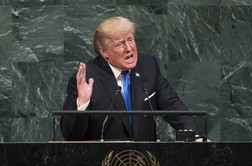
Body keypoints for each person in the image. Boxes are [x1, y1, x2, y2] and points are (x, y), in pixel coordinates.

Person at [61, 16, 201, 141]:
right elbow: (70, 135)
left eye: (130, 40)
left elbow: (172, 105)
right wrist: (83, 103)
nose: (129, 48)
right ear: (104, 52)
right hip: (104, 164)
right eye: (120, 44)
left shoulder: (148, 66)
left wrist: (192, 136)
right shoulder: (86, 78)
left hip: (147, 162)